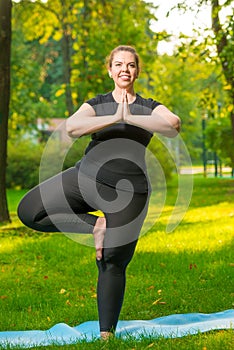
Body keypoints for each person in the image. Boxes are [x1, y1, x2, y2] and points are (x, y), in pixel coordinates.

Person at [18, 45, 180, 340]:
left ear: (137, 71)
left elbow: (172, 124)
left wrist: (130, 117)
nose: (124, 70)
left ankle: (107, 336)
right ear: (110, 70)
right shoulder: (98, 103)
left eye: (130, 65)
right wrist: (114, 117)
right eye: (118, 64)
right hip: (86, 177)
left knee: (112, 261)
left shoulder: (149, 105)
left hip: (130, 193)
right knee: (30, 211)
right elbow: (73, 127)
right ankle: (97, 225)